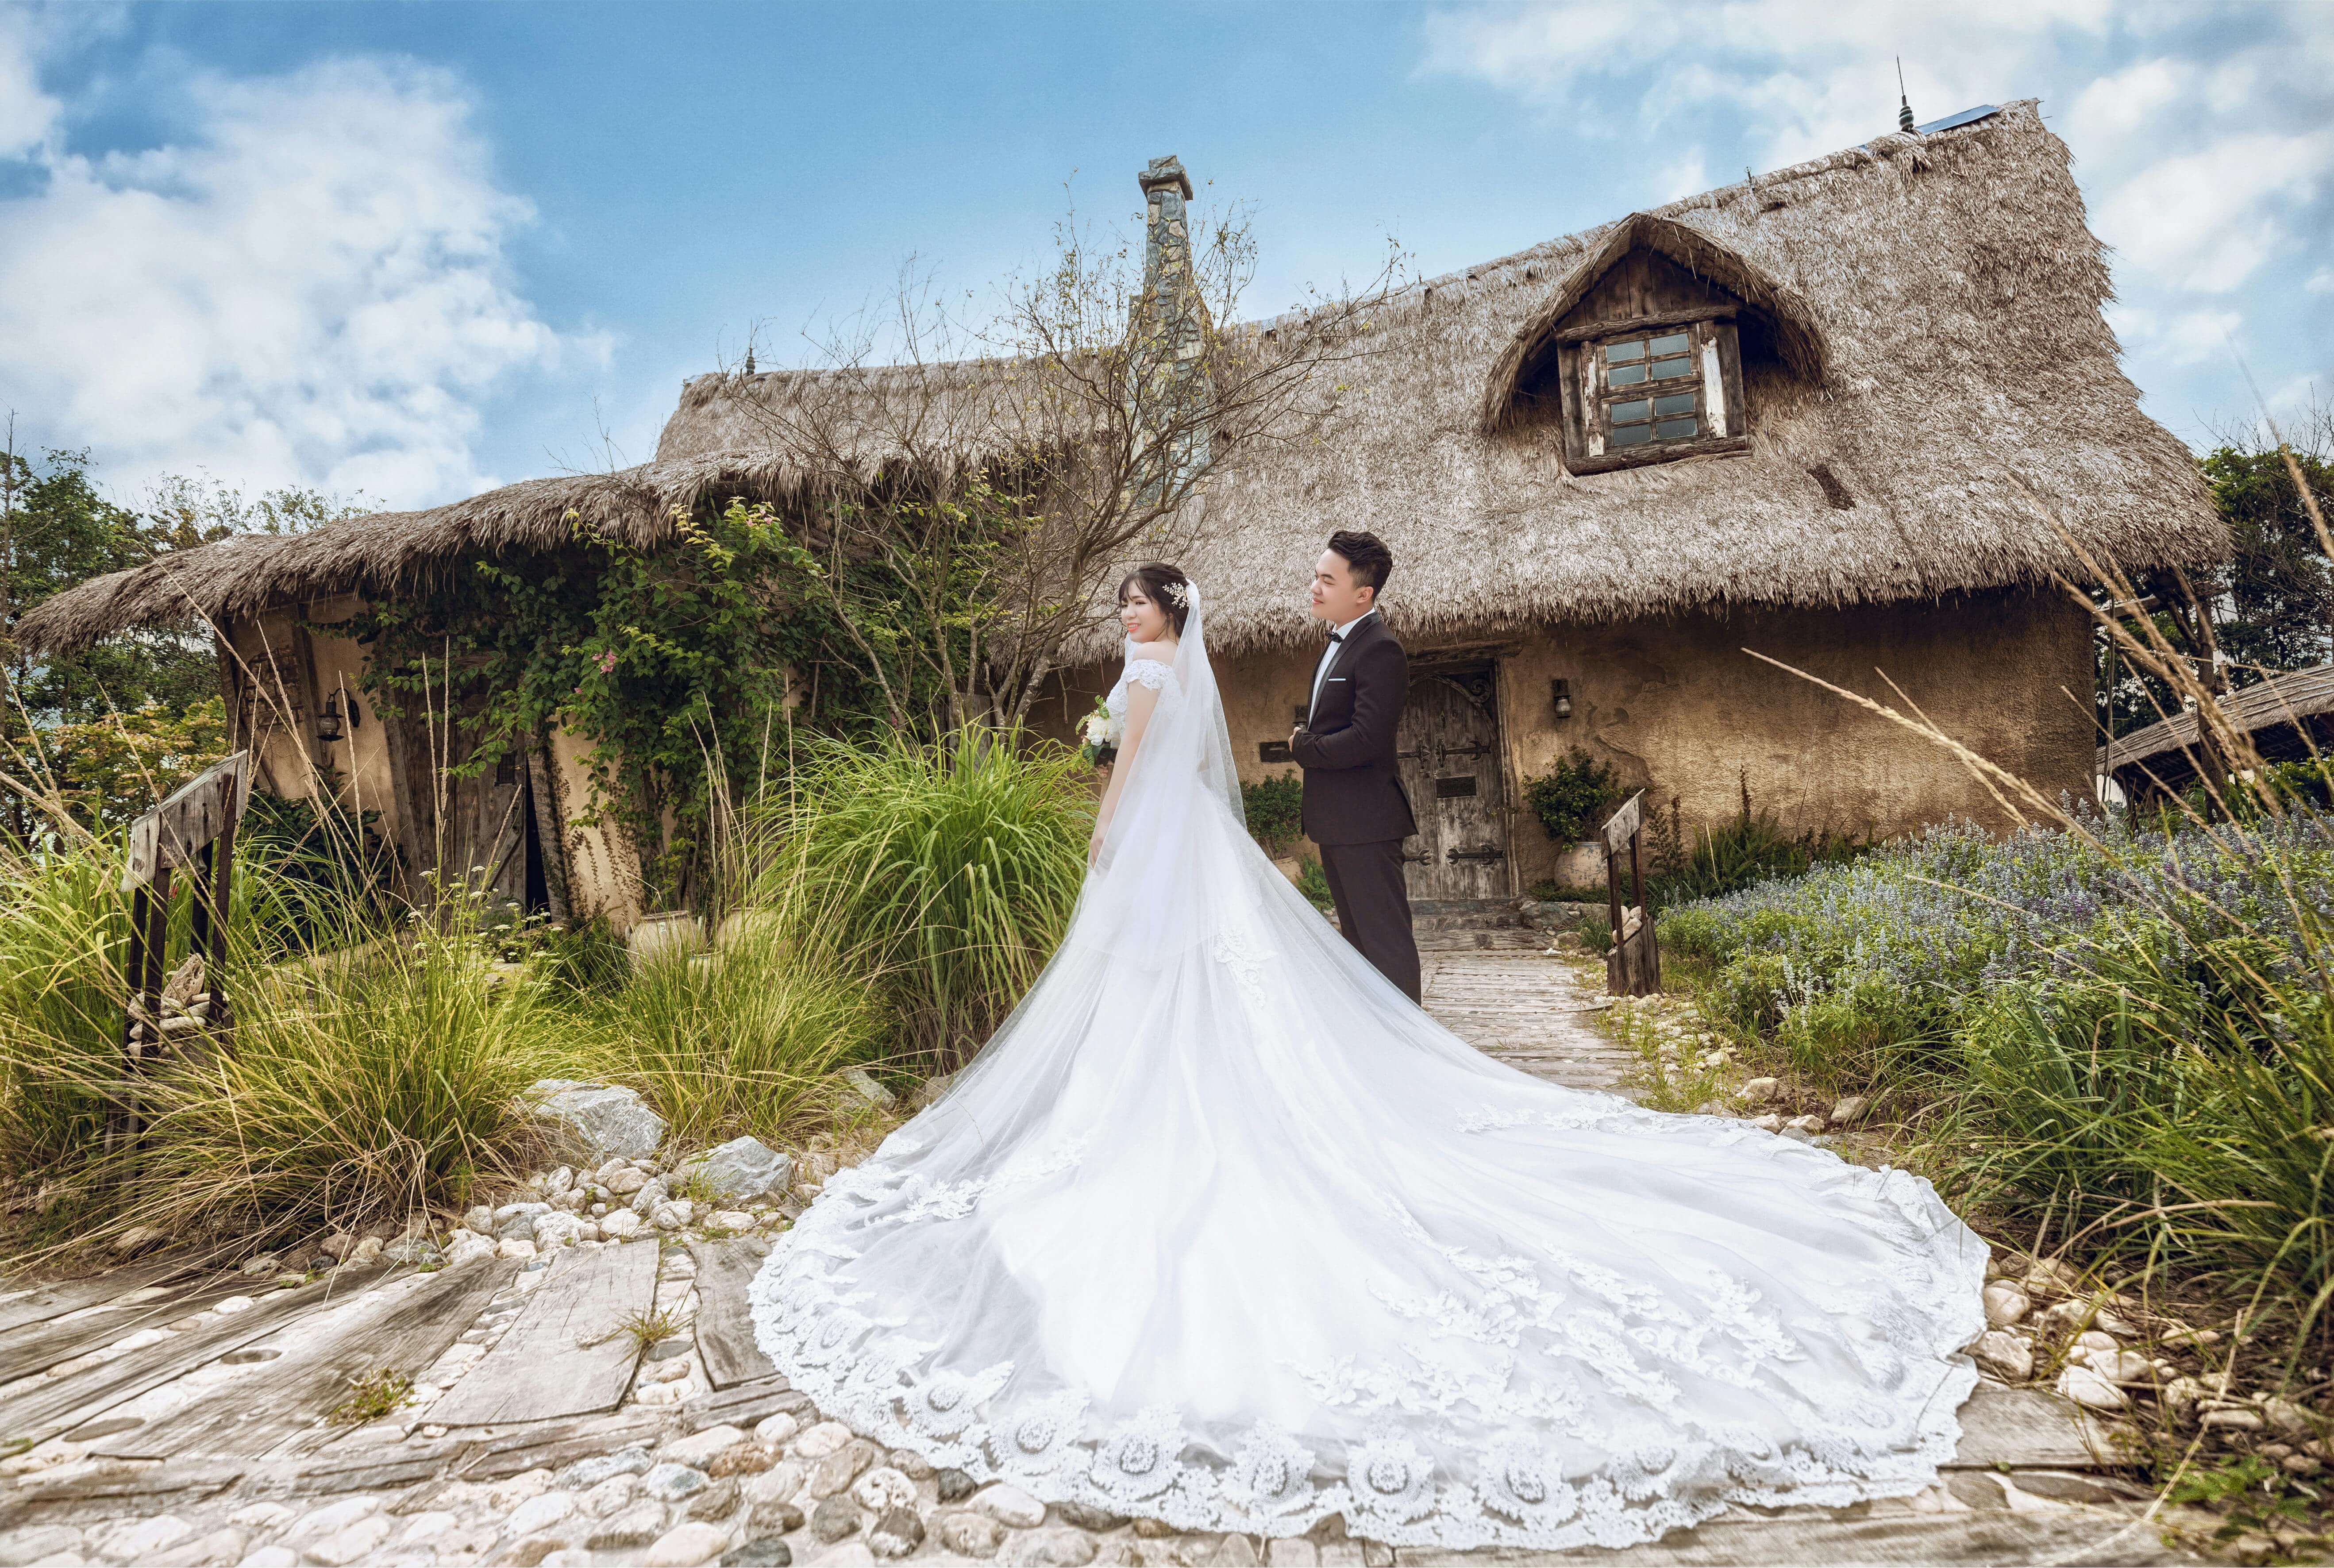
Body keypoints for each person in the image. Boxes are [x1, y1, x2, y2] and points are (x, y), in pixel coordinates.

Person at [751, 562, 1986, 1554]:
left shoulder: (1147, 671)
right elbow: (1179, 754)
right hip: (1197, 844)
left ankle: (1183, 1104)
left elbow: (1130, 763)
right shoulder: (1175, 667)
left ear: (1165, 614)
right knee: (1200, 977)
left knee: (1166, 978)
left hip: (1158, 838)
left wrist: (1105, 825)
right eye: (1125, 601)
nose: (1123, 614)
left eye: (1135, 599)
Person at [1289, 530, 1421, 1002]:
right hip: (1339, 822)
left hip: (1366, 820)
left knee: (1385, 943)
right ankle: (1378, 1045)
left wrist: (1304, 747)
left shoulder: (1380, 648)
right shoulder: (1339, 643)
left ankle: (1411, 1048)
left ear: (1363, 593)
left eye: (1328, 579)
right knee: (1358, 946)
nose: (1315, 587)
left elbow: (1367, 739)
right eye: (1316, 576)